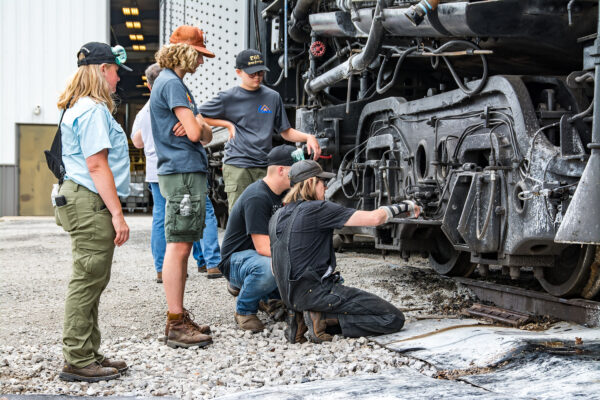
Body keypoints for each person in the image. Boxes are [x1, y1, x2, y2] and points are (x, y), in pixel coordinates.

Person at [269, 160, 421, 344]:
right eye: (322, 182)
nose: (325, 187)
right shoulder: (318, 209)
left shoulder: (277, 216)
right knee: (392, 318)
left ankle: (300, 317)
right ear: (310, 183)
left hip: (290, 296)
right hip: (316, 292)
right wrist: (407, 206)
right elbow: (375, 218)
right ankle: (322, 319)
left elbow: (274, 265)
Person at [54, 42, 132, 382]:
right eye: (115, 71)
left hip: (83, 198)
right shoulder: (92, 110)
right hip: (90, 200)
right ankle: (77, 359)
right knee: (87, 280)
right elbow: (97, 166)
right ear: (102, 69)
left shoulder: (83, 107)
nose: (118, 79)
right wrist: (117, 213)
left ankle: (89, 352)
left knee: (93, 279)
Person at [150, 25, 214, 348]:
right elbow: (196, 133)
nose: (201, 61)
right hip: (183, 173)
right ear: (187, 52)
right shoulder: (172, 84)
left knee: (183, 244)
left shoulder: (173, 84)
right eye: (200, 54)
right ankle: (175, 322)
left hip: (184, 172)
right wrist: (199, 126)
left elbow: (206, 132)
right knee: (179, 246)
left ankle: (178, 317)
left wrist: (200, 126)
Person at [199, 49, 322, 211]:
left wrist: (308, 137)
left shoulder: (272, 97)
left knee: (266, 213)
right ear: (239, 72)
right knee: (240, 214)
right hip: (238, 165)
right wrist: (227, 125)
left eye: (260, 73)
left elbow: (285, 131)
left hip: (265, 166)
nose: (257, 77)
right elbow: (198, 114)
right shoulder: (228, 97)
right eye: (252, 74)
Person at [132, 63, 221, 283]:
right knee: (200, 212)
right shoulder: (175, 103)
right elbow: (199, 133)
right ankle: (209, 262)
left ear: (148, 84)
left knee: (162, 218)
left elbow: (137, 142)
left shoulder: (145, 111)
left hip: (156, 171)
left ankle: (163, 268)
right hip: (180, 167)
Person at [217, 145, 297, 332]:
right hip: (237, 261)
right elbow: (262, 247)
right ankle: (244, 311)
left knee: (287, 262)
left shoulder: (283, 195)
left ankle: (267, 298)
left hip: (257, 258)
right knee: (272, 268)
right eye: (296, 169)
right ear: (281, 170)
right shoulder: (257, 196)